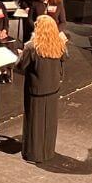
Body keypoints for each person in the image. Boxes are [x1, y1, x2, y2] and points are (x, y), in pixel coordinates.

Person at [16, 14, 68, 163]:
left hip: (36, 90)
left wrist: (21, 54)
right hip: (53, 88)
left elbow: (20, 67)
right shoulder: (58, 44)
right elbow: (65, 58)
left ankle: (34, 154)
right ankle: (48, 152)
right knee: (50, 121)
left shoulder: (32, 47)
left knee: (34, 122)